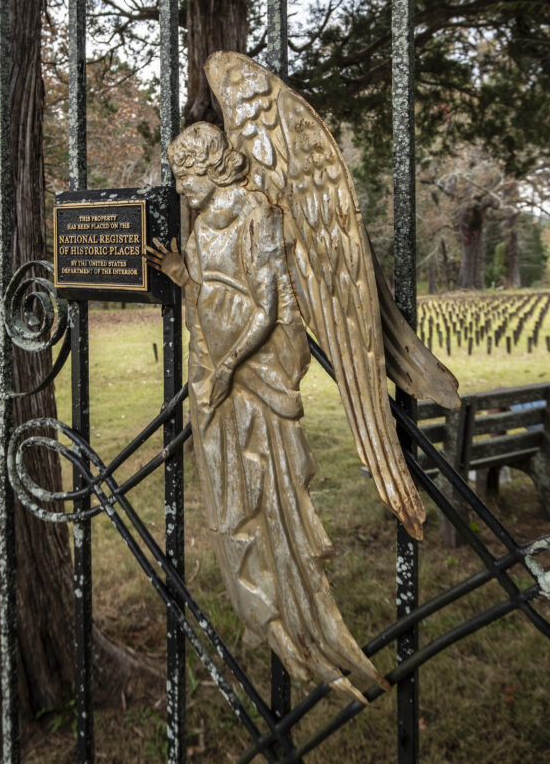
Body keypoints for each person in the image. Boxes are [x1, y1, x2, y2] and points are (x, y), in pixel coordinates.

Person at [147, 122, 388, 700]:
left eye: (185, 177)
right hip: (214, 382)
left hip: (254, 381)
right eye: (177, 179)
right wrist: (184, 276)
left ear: (209, 168)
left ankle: (313, 626)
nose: (181, 190)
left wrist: (230, 365)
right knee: (232, 509)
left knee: (273, 503)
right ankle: (270, 620)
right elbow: (208, 298)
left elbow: (270, 307)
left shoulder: (259, 213)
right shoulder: (202, 225)